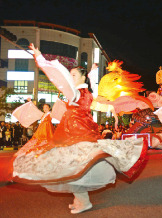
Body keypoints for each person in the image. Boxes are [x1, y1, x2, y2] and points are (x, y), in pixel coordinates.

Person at [12, 43, 146, 214]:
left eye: (73, 75)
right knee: (75, 167)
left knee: (73, 167)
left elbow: (59, 79)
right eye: (70, 74)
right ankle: (80, 200)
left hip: (75, 133)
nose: (70, 77)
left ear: (82, 78)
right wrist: (92, 71)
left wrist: (40, 58)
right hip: (77, 131)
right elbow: (85, 90)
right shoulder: (86, 93)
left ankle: (83, 201)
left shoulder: (76, 94)